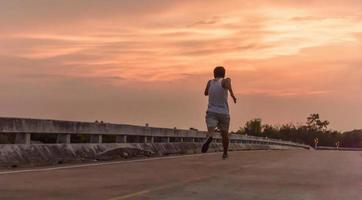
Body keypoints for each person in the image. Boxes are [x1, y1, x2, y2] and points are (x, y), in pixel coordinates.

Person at [202, 66, 237, 159]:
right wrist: (232, 95)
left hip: (212, 111)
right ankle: (225, 153)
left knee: (211, 129)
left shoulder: (210, 82)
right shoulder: (225, 80)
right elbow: (228, 83)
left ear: (214, 74)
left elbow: (205, 93)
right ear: (224, 74)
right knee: (225, 134)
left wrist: (212, 90)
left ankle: (210, 136)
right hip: (224, 113)